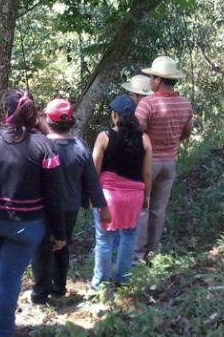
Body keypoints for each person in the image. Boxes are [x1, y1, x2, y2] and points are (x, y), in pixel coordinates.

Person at [0, 88, 66, 337]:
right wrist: (58, 233)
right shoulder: (44, 146)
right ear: (31, 112)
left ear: (6, 110)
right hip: (27, 226)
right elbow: (54, 196)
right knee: (7, 278)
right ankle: (1, 332)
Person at [30, 99, 110, 304]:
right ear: (70, 122)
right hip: (69, 207)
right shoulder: (80, 146)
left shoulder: (39, 145)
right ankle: (59, 287)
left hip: (43, 207)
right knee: (62, 245)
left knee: (42, 247)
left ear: (47, 120)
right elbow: (92, 180)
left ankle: (40, 293)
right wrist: (102, 206)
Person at [133, 56, 193, 263]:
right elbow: (186, 132)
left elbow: (135, 133)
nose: (150, 81)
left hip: (148, 163)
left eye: (151, 77)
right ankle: (154, 251)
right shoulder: (185, 104)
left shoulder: (147, 104)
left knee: (143, 208)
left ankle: (138, 255)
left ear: (158, 80)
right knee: (159, 208)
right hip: (170, 162)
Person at [91, 95, 152, 289]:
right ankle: (122, 279)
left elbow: (94, 170)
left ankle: (100, 283)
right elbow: (147, 173)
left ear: (115, 115)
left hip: (108, 196)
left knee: (104, 240)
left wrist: (92, 195)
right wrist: (147, 196)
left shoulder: (104, 137)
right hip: (134, 196)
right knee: (129, 236)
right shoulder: (144, 139)